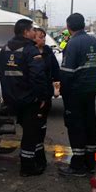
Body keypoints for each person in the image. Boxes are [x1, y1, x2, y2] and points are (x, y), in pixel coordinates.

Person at [0, 19, 48, 177]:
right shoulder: (30, 50)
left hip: (11, 99)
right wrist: (42, 97)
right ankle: (27, 167)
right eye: (32, 29)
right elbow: (38, 76)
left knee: (30, 131)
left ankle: (40, 160)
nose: (34, 32)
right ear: (26, 32)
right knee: (31, 133)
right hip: (29, 100)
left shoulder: (5, 48)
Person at [58, 13, 96, 177]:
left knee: (76, 127)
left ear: (69, 27)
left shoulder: (72, 44)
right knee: (90, 125)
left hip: (76, 93)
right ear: (83, 25)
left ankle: (77, 166)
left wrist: (63, 93)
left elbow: (67, 73)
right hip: (93, 92)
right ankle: (91, 163)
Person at [33, 27, 60, 170]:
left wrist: (56, 83)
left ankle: (39, 153)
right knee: (34, 127)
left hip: (46, 94)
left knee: (42, 126)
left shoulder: (48, 52)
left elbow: (55, 70)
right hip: (34, 95)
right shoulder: (29, 52)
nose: (43, 39)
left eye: (44, 37)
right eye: (39, 37)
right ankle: (35, 156)